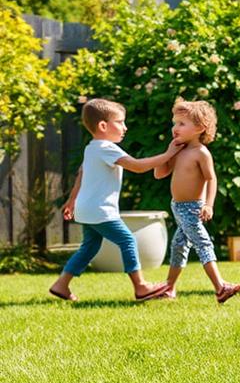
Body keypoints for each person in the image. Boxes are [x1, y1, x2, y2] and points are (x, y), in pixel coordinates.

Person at [49, 99, 179, 302]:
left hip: (87, 209)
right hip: (100, 211)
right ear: (103, 126)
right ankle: (141, 286)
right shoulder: (106, 147)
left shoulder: (91, 148)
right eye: (120, 122)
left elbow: (82, 174)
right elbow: (137, 166)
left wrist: (72, 200)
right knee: (127, 240)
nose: (125, 127)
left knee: (89, 248)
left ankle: (61, 284)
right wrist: (168, 154)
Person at [154, 100, 240, 303]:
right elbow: (159, 173)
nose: (175, 128)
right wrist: (168, 153)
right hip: (177, 207)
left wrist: (208, 204)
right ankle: (169, 288)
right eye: (174, 123)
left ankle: (220, 287)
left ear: (199, 128)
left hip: (192, 208)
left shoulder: (201, 153)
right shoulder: (178, 150)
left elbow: (211, 179)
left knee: (202, 244)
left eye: (181, 124)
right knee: (178, 246)